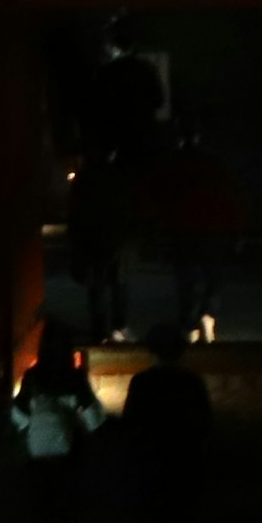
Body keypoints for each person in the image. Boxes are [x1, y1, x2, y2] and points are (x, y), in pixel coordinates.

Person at [70, 21, 166, 341]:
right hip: (138, 144)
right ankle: (119, 324)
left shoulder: (106, 76)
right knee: (119, 275)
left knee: (100, 278)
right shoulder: (143, 71)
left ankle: (101, 327)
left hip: (99, 222)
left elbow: (94, 105)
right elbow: (157, 100)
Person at [118, 320, 214, 523]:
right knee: (182, 500)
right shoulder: (192, 381)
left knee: (157, 500)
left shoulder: (142, 381)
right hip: (184, 449)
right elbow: (204, 418)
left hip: (152, 450)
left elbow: (131, 419)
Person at [147, 123, 248, 338]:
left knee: (186, 279)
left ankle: (189, 323)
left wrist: (157, 228)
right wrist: (236, 230)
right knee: (214, 276)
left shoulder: (173, 164)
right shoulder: (213, 163)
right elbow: (230, 196)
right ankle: (208, 314)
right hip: (213, 228)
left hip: (181, 228)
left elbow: (159, 198)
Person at [7, 339, 101, 523]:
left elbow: (19, 415)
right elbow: (94, 417)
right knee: (68, 503)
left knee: (39, 503)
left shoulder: (33, 376)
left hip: (39, 454)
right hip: (69, 454)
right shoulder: (75, 377)